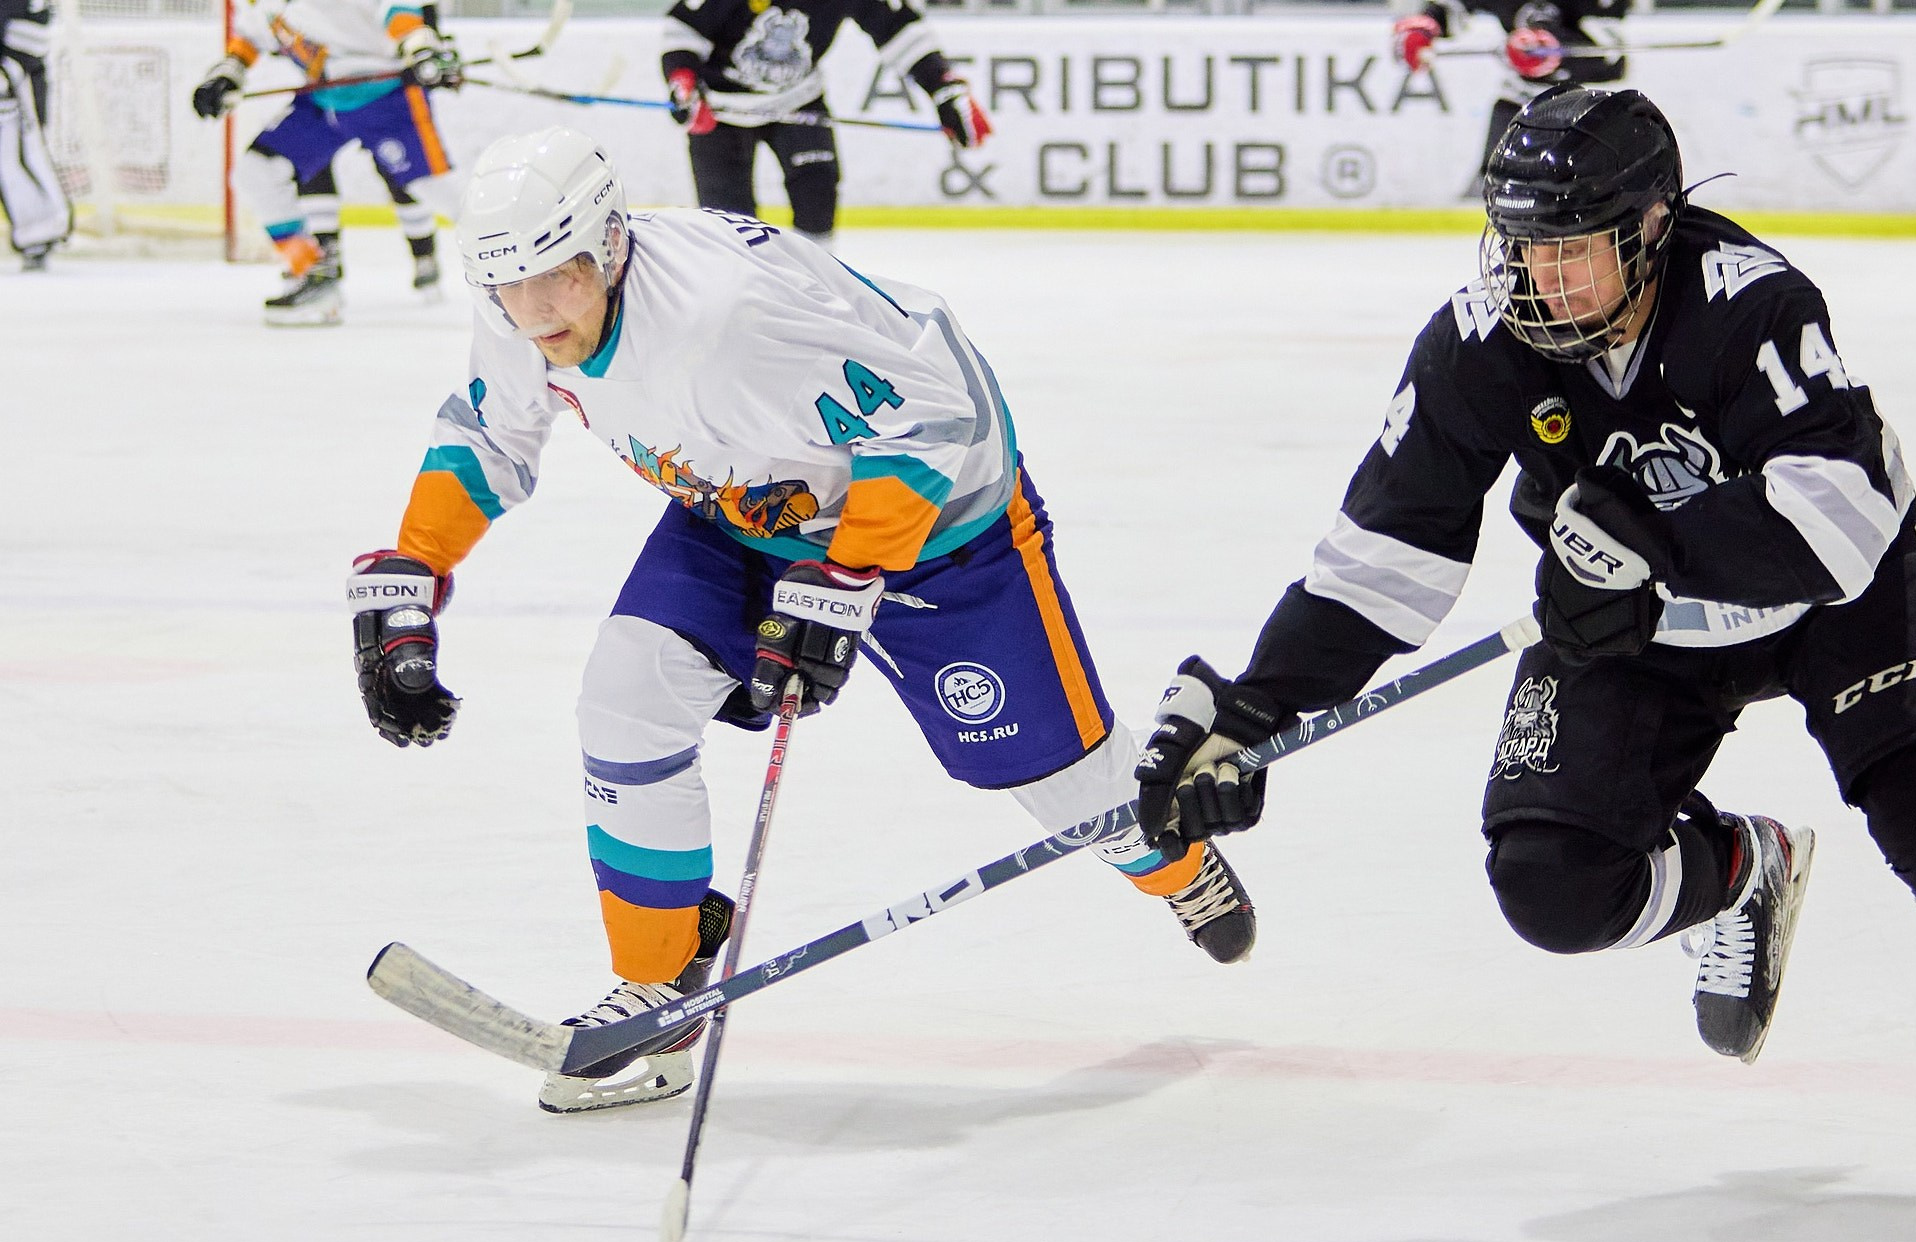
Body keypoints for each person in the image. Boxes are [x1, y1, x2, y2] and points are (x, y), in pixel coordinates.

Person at [1134, 86, 1916, 1221]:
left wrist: (1658, 550)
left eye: (1572, 251)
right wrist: (1251, 715)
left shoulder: (1751, 305)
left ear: (1650, 229)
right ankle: (1740, 877)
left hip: (1837, 595)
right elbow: (1381, 557)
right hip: (1628, 622)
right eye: (1522, 246)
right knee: (1551, 885)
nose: (1539, 279)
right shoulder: (1480, 340)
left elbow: (1837, 516)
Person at [348, 126, 1254, 1115]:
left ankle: (1175, 868)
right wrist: (410, 573)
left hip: (942, 524)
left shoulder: (722, 318)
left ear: (606, 247)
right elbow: (490, 424)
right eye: (506, 288)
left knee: (1069, 788)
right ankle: (658, 991)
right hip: (751, 510)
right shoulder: (527, 303)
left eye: (554, 279)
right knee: (624, 696)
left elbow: (935, 416)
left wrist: (846, 577)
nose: (531, 312)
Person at [191, 0, 464, 324]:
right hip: (323, 96)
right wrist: (228, 73)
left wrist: (419, 45)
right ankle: (314, 275)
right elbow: (252, 36)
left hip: (383, 94)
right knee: (256, 172)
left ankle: (520, 259)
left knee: (437, 190)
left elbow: (393, 7)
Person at [659, 0, 990, 243]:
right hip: (721, 111)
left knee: (817, 194)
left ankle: (812, 294)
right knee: (730, 229)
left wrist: (943, 89)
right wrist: (683, 81)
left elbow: (898, 28)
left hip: (798, 100)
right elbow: (683, 30)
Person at [1392, 0, 1629, 190]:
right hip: (1520, 100)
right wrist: (1427, 25)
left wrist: (1556, 50)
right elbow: (1455, 7)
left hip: (1587, 104)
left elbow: (1615, 57)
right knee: (1493, 185)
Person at [1, 0, 70, 269]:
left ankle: (40, 232)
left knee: (15, 156)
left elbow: (31, 37)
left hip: (15, 85)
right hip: (18, 80)